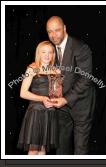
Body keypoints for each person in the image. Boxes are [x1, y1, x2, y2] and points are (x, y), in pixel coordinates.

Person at [46, 16, 96, 155]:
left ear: (64, 28)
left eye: (56, 30)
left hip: (81, 104)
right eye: (50, 31)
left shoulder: (81, 48)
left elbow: (86, 79)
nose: (53, 35)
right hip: (60, 106)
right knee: (61, 146)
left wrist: (66, 99)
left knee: (80, 148)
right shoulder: (49, 49)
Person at [17, 41, 61, 155]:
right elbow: (23, 93)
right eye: (44, 52)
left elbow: (56, 94)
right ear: (39, 53)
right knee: (33, 150)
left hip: (50, 113)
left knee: (42, 150)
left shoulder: (56, 71)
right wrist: (42, 98)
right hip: (36, 112)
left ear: (53, 55)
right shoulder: (32, 69)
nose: (47, 55)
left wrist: (55, 100)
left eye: (50, 52)